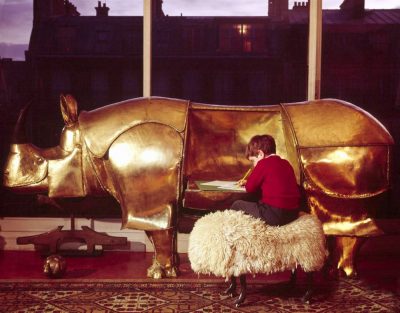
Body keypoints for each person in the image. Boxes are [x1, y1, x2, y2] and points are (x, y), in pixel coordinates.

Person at [231, 134, 300, 226]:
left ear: (260, 154)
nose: (254, 164)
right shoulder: (286, 163)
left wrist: (248, 183)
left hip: (275, 215)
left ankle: (232, 228)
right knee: (260, 200)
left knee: (237, 204)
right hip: (293, 213)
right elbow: (275, 183)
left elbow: (249, 188)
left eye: (253, 161)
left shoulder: (263, 163)